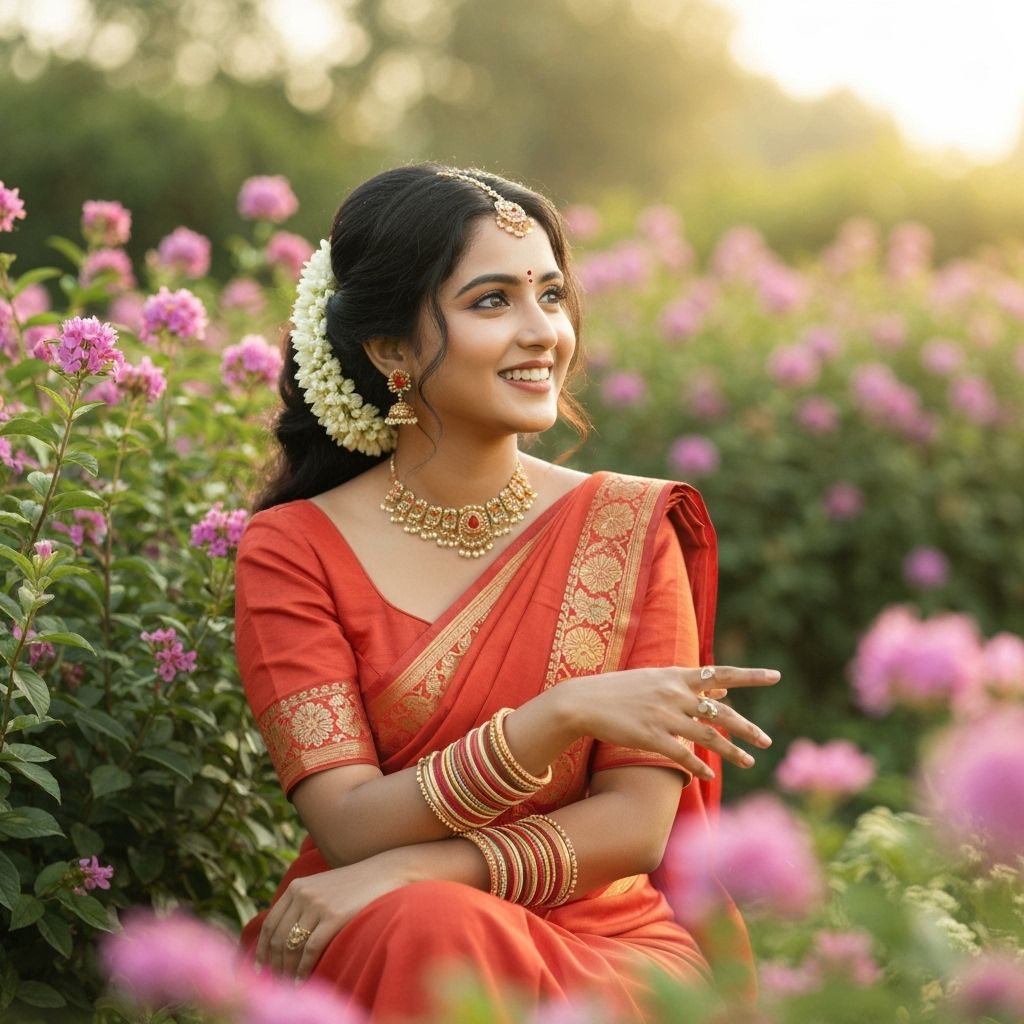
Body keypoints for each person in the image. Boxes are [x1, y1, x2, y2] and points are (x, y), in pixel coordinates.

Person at [234, 164, 779, 1022]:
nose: (543, 333)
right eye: (492, 301)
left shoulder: (630, 529)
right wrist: (554, 717)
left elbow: (636, 828)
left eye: (552, 296)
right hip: (377, 930)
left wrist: (416, 867)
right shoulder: (293, 549)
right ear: (391, 350)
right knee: (425, 928)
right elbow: (349, 826)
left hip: (602, 949)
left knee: (428, 916)